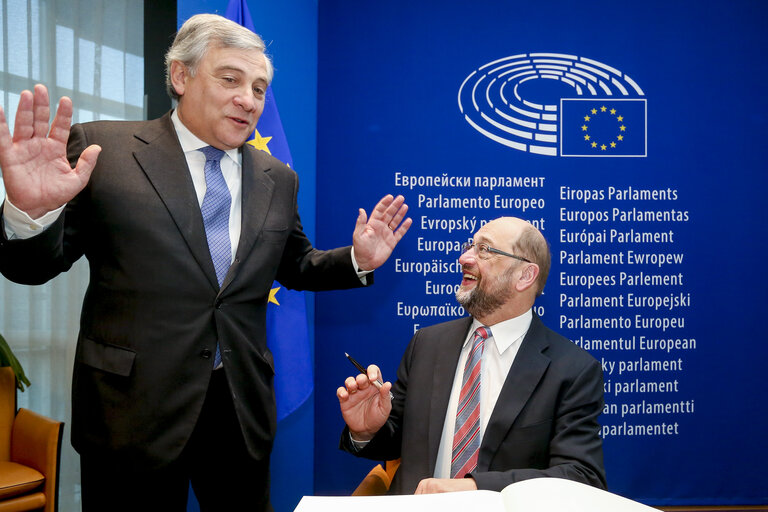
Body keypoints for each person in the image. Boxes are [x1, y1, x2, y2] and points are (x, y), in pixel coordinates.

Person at [0, 13, 411, 512]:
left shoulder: (277, 176)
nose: (249, 99)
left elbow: (296, 264)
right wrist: (29, 212)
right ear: (180, 75)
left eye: (259, 87)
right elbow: (31, 268)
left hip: (238, 411)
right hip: (132, 413)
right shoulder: (103, 150)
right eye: (231, 79)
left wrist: (357, 261)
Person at [338, 217, 605, 494]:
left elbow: (580, 476)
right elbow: (400, 441)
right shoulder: (427, 344)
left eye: (485, 250)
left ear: (525, 276)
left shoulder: (571, 369)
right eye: (470, 246)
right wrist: (367, 431)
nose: (464, 257)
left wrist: (474, 489)